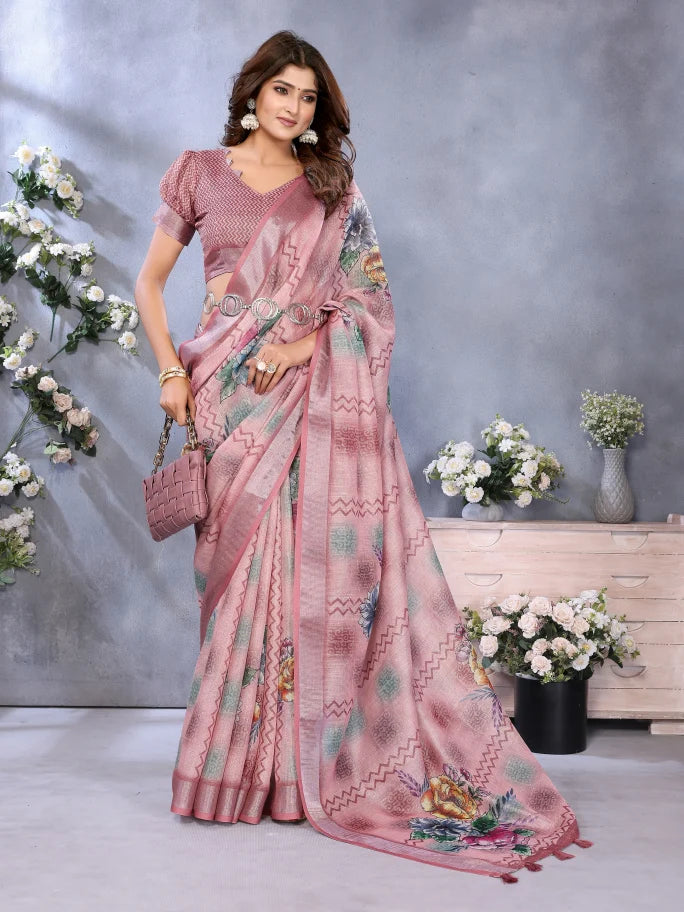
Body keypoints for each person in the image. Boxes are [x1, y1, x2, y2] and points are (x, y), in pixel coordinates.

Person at [134, 30, 590, 883]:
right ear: (253, 92)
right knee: (236, 584)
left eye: (308, 97)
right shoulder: (197, 172)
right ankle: (231, 772)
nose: (294, 107)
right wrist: (169, 372)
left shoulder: (331, 189)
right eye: (283, 90)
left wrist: (296, 350)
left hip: (304, 402)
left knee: (302, 584)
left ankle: (293, 776)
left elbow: (370, 305)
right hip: (224, 399)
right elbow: (149, 283)